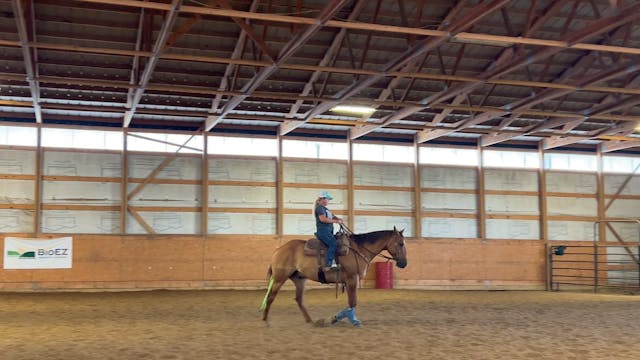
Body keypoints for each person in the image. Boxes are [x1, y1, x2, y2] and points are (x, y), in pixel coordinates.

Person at [314, 191, 343, 270]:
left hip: (328, 231)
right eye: (327, 199)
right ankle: (329, 264)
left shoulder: (326, 209)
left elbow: (333, 217)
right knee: (333, 243)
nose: (328, 201)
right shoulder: (320, 208)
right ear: (322, 199)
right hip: (323, 231)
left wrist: (338, 219)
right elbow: (323, 219)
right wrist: (336, 221)